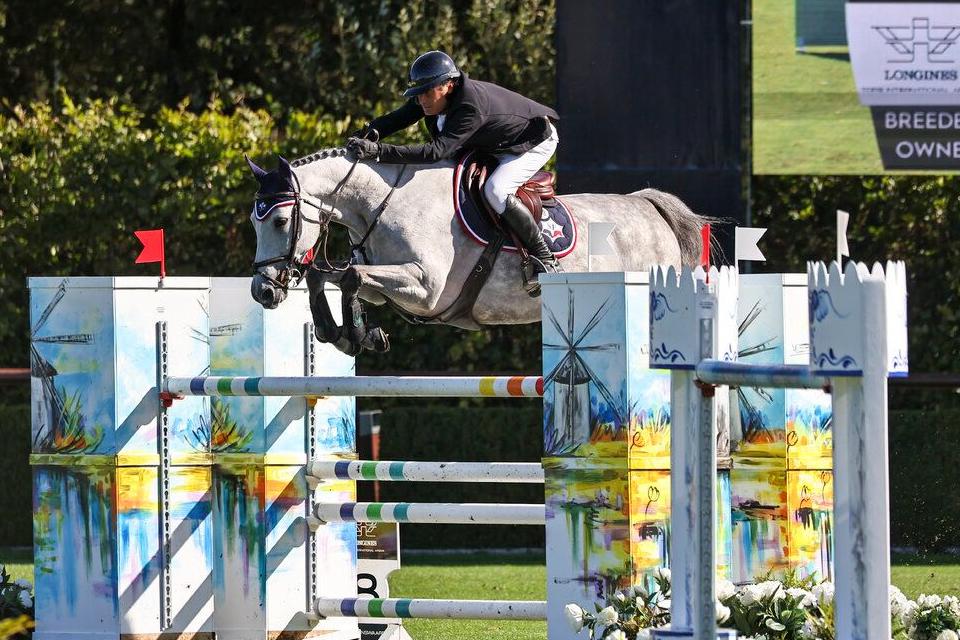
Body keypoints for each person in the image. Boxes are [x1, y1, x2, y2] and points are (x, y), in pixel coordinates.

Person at [346, 50, 560, 296]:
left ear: (448, 85)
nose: (422, 100)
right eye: (418, 94)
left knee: (496, 190)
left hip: (532, 141)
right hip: (494, 141)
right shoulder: (433, 96)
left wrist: (378, 151)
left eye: (427, 92)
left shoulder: (470, 106)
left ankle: (544, 258)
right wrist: (364, 135)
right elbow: (398, 119)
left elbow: (436, 152)